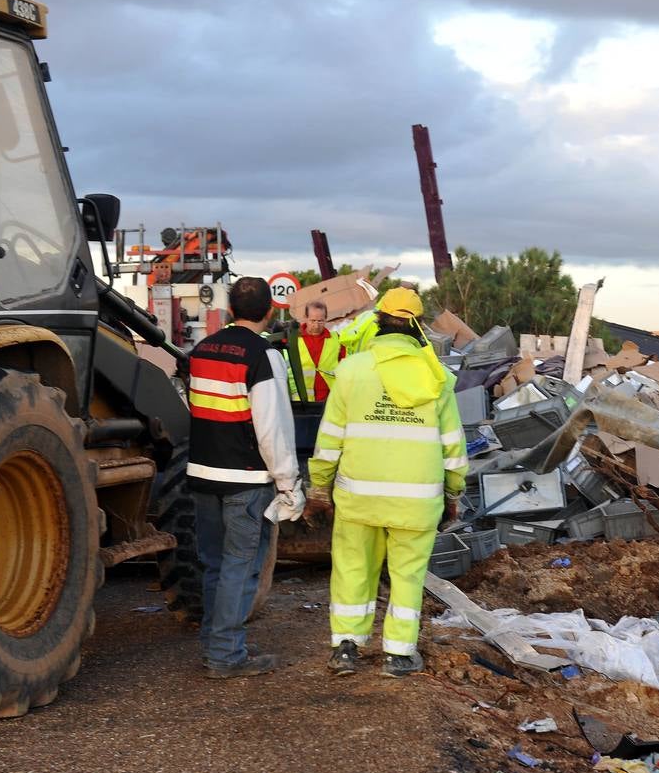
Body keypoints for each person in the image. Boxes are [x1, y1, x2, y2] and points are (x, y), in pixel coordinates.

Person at [303, 288, 467, 678]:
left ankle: (346, 648)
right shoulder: (438, 377)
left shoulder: (352, 371)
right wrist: (453, 493)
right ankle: (398, 655)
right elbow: (453, 448)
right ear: (416, 325)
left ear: (377, 320)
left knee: (352, 569)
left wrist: (319, 488)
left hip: (359, 498)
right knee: (408, 575)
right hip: (417, 501)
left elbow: (329, 440)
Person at [187, 277, 305, 678]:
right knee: (241, 565)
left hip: (202, 473)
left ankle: (211, 642)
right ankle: (225, 655)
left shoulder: (202, 349)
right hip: (245, 478)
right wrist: (288, 484)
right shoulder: (263, 355)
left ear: (231, 308)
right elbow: (272, 427)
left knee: (215, 564)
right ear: (270, 310)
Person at [285, 299, 344, 402]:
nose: (316, 326)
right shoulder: (293, 340)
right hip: (300, 402)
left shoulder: (337, 339)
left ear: (326, 319)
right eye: (313, 321)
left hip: (330, 400)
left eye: (320, 321)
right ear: (305, 318)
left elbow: (344, 368)